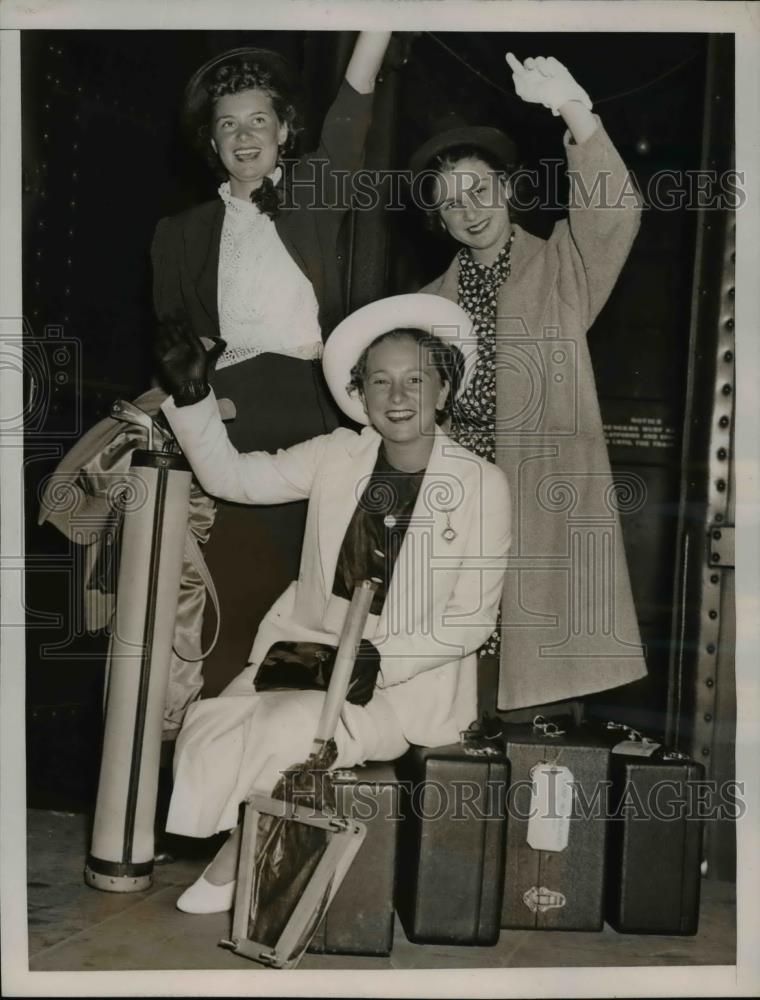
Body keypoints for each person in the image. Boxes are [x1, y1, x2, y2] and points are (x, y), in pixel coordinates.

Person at [155, 293, 511, 912]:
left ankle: (241, 855)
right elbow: (231, 478)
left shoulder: (483, 484)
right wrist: (192, 397)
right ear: (360, 394)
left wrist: (375, 661)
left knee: (287, 728)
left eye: (415, 380)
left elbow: (471, 619)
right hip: (303, 654)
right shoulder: (333, 456)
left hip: (402, 683)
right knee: (213, 722)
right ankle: (257, 841)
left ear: (444, 389)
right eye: (380, 381)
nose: (397, 396)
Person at [148, 34, 393, 728]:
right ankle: (206, 769)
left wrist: (374, 29)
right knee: (220, 598)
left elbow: (351, 117)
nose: (243, 135)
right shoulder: (179, 232)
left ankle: (282, 773)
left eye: (259, 119)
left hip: (310, 417)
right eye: (227, 124)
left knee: (302, 603)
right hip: (221, 420)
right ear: (212, 142)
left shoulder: (312, 194)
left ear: (286, 130)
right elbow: (174, 349)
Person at [410, 53, 648, 717]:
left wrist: (575, 109)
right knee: (454, 689)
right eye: (450, 202)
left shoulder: (560, 268)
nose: (469, 210)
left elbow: (613, 215)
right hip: (462, 503)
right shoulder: (426, 304)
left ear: (508, 190)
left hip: (541, 499)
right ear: (438, 218)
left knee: (540, 699)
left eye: (479, 190)